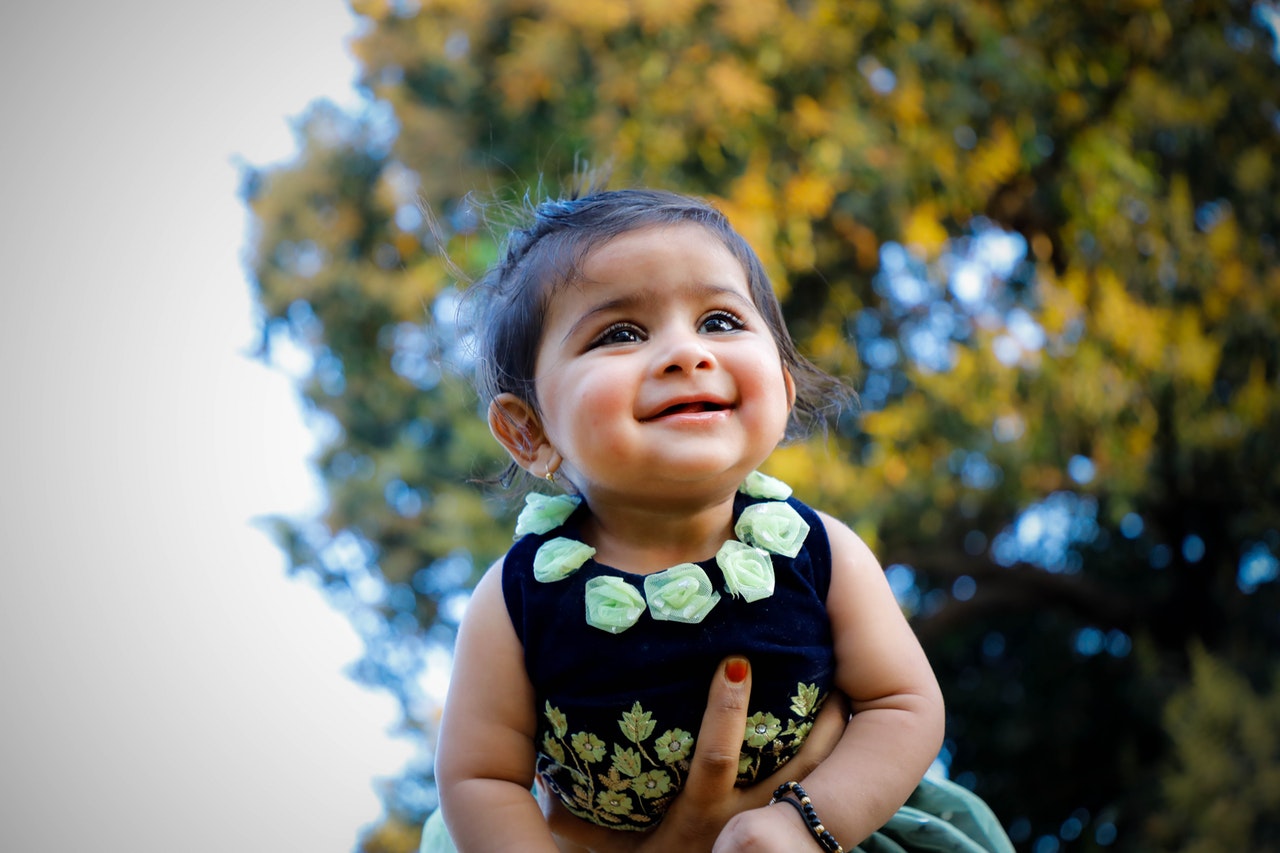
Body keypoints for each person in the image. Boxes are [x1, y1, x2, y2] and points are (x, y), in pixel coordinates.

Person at [431, 188, 1004, 852]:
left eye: (721, 322)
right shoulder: (515, 599)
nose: (686, 352)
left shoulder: (821, 551)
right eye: (620, 333)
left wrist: (807, 823)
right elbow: (480, 777)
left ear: (784, 392)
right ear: (527, 431)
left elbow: (904, 705)